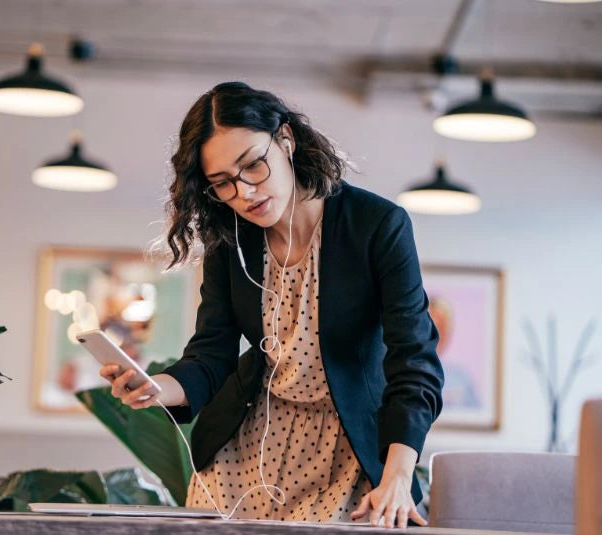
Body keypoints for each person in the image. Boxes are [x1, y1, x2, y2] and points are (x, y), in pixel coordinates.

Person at [99, 81, 443, 528]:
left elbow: (415, 360)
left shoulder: (376, 226)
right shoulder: (230, 240)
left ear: (286, 140)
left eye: (253, 166)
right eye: (222, 183)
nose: (244, 193)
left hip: (347, 453)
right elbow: (211, 354)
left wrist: (398, 474)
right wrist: (155, 387)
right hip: (247, 446)